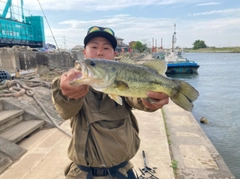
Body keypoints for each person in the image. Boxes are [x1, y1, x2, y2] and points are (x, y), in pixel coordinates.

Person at [51, 26, 169, 179]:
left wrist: (152, 100)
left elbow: (135, 98)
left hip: (122, 171)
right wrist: (67, 92)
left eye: (106, 48)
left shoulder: (120, 80)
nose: (100, 52)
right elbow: (65, 109)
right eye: (94, 47)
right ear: (84, 53)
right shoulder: (73, 82)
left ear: (114, 54)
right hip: (83, 173)